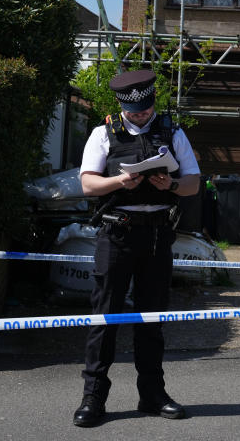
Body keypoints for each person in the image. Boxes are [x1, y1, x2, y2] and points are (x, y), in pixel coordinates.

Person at [73, 69, 200, 427]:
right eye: (135, 110)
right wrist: (118, 181)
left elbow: (192, 183)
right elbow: (87, 184)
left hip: (158, 235)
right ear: (121, 104)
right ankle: (93, 398)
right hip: (117, 235)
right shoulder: (103, 133)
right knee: (105, 319)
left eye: (146, 108)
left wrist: (171, 184)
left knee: (152, 319)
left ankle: (152, 394)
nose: (142, 114)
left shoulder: (172, 131)